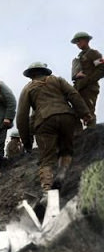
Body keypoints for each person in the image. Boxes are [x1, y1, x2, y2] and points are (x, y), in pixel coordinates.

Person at [16, 62, 91, 194]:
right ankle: (61, 175)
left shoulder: (27, 89)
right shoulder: (58, 80)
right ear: (45, 72)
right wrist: (85, 114)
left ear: (32, 75)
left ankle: (47, 190)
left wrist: (27, 142)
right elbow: (73, 95)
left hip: (45, 121)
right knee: (66, 150)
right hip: (67, 117)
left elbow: (22, 117)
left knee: (46, 158)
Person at [70, 31, 104, 128]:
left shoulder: (93, 53)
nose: (77, 43)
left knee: (89, 112)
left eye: (79, 40)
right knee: (75, 112)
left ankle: (92, 135)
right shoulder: (79, 57)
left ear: (86, 40)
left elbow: (102, 69)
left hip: (89, 89)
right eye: (76, 41)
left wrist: (88, 80)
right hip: (78, 89)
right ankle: (79, 137)